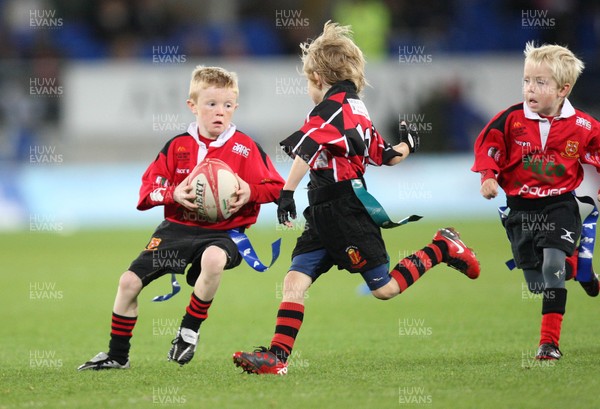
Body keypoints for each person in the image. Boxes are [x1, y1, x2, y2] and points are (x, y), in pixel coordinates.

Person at [232, 21, 480, 375]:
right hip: (323, 211)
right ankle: (277, 358)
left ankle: (441, 247)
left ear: (317, 77)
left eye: (307, 80)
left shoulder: (329, 110)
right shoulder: (357, 110)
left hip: (345, 210)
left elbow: (307, 147)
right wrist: (409, 143)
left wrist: (287, 193)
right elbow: (386, 156)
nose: (307, 87)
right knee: (294, 281)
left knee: (384, 289)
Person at [78, 66, 285, 370]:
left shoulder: (245, 147)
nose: (220, 112)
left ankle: (188, 330)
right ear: (193, 106)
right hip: (177, 229)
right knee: (128, 283)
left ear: (235, 107)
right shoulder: (177, 146)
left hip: (223, 232)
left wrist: (249, 190)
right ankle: (117, 356)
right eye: (211, 104)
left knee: (213, 260)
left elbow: (277, 188)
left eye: (227, 105)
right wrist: (172, 194)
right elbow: (147, 190)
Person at [472, 42, 600, 360]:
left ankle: (549, 344)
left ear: (563, 89)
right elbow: (488, 148)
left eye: (540, 82)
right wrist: (488, 176)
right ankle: (580, 266)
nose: (530, 88)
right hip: (520, 210)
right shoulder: (510, 120)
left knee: (553, 267)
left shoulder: (583, 126)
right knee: (536, 284)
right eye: (527, 80)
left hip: (559, 204)